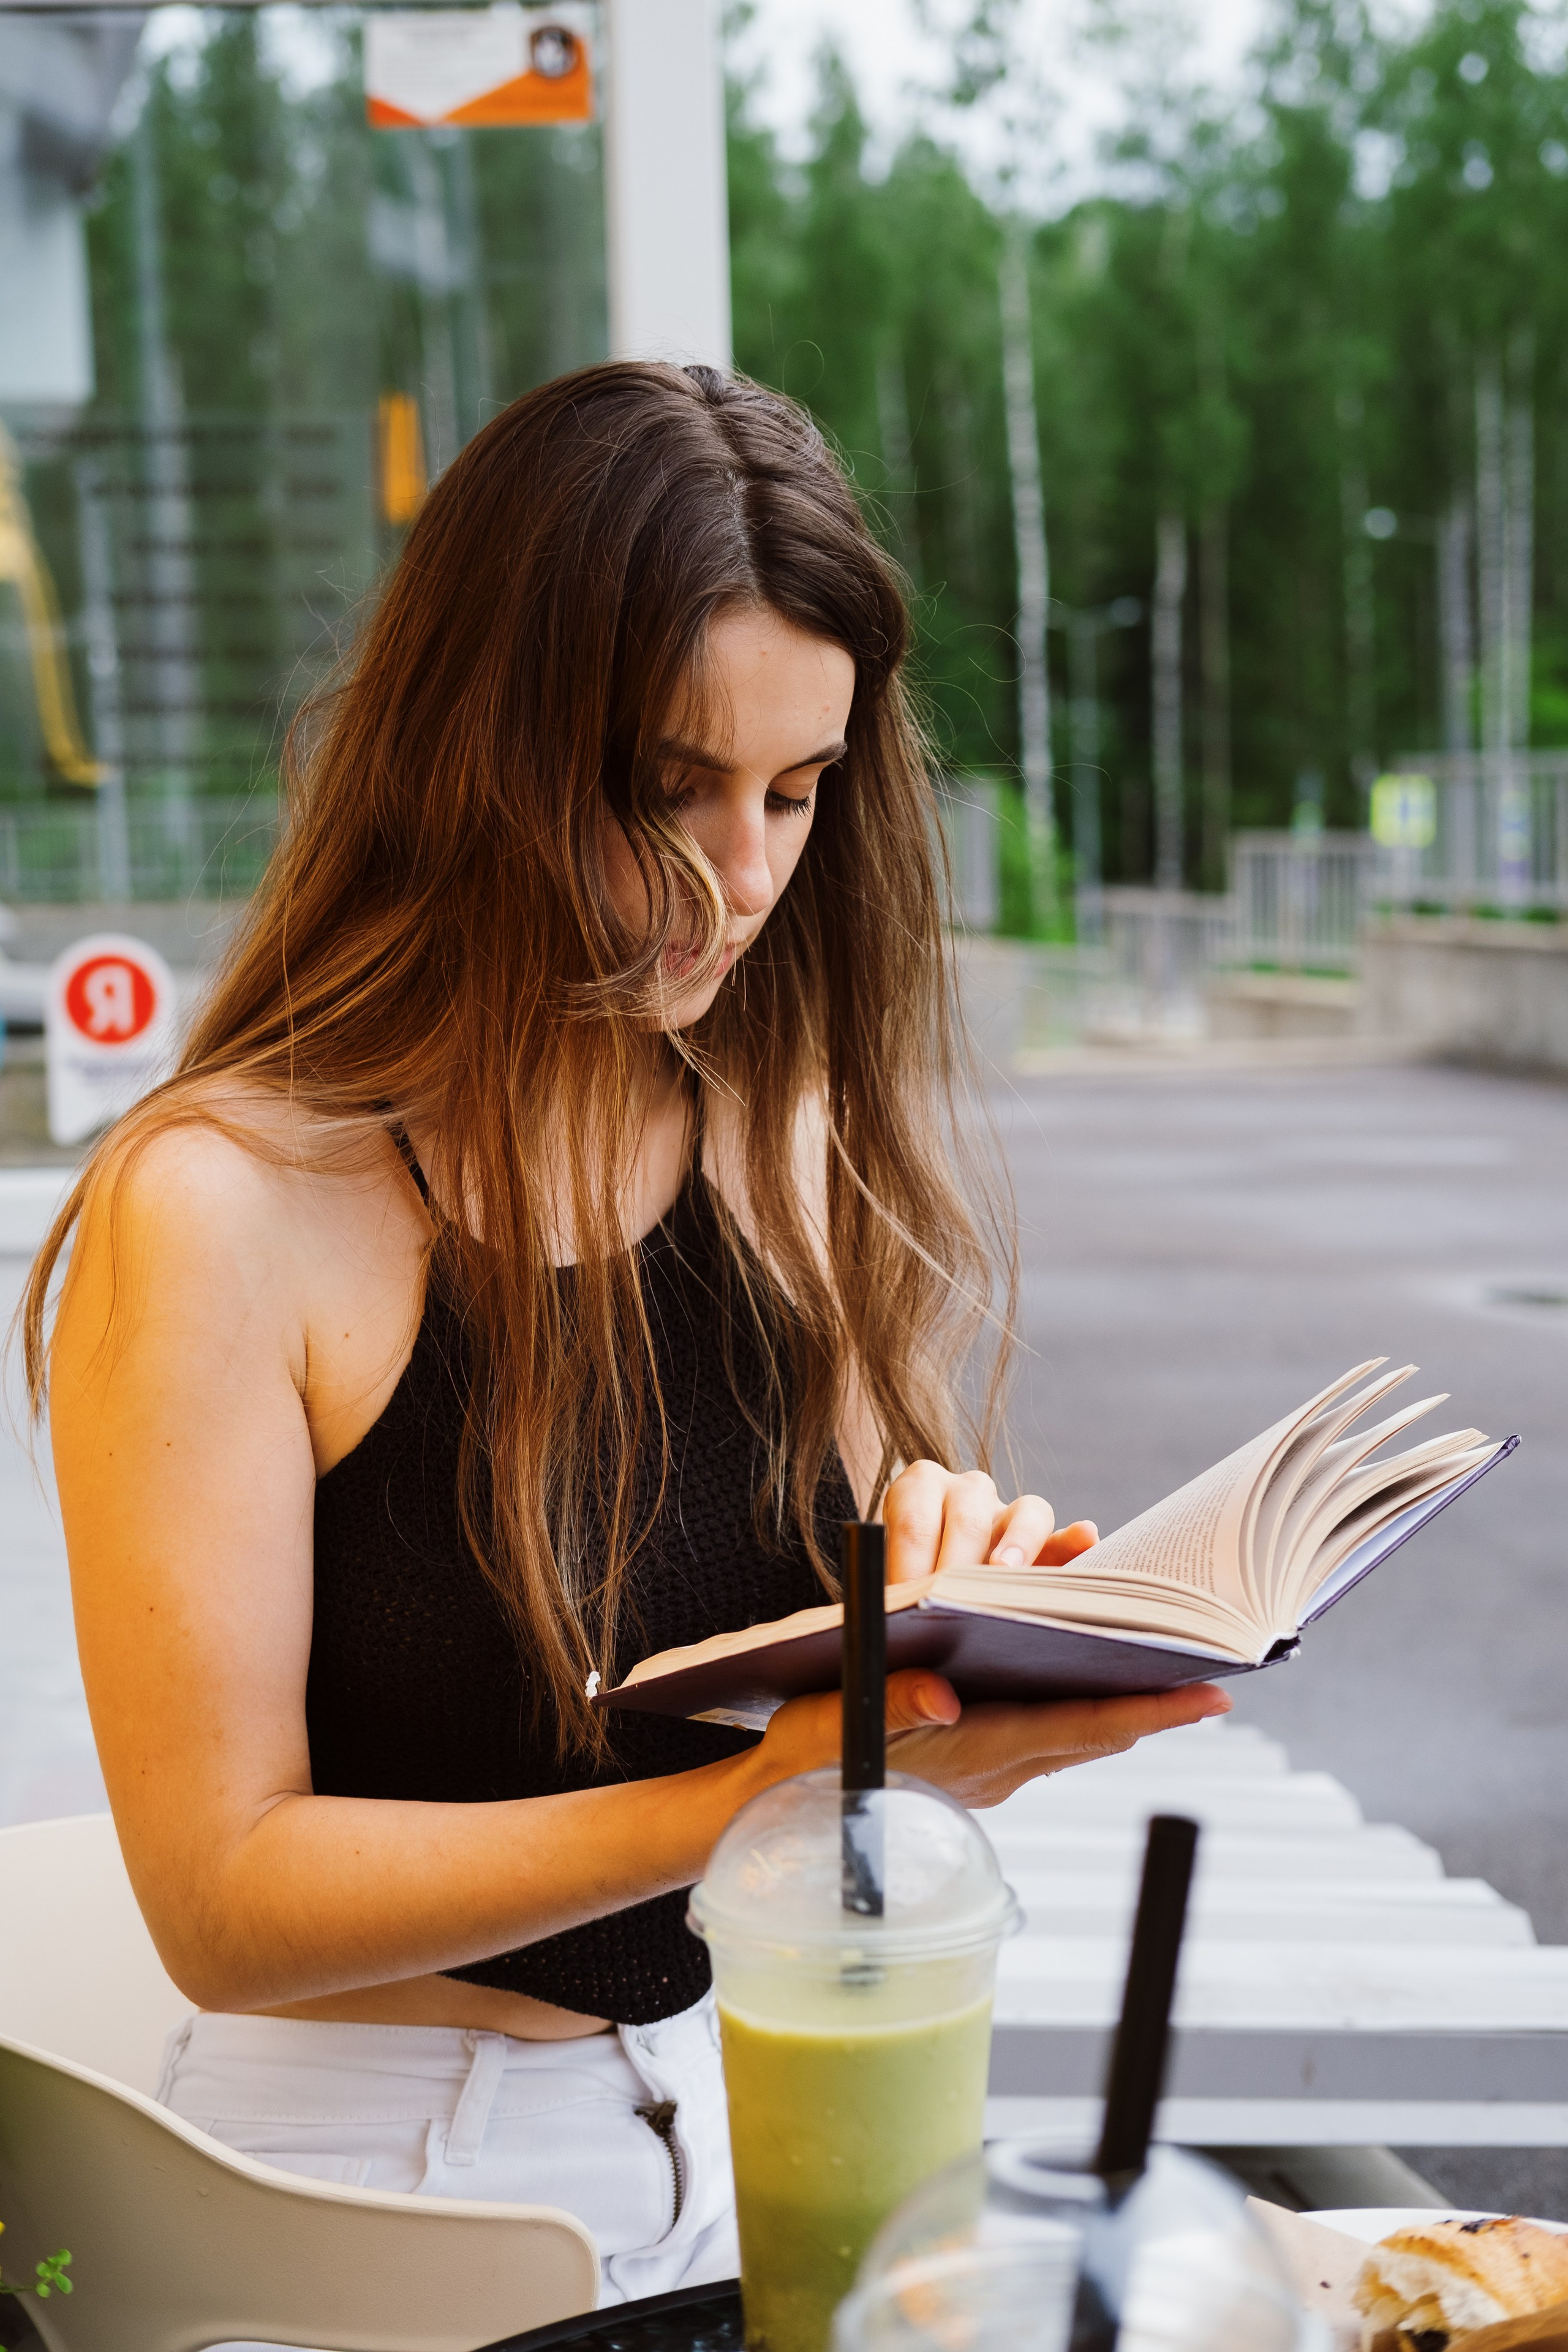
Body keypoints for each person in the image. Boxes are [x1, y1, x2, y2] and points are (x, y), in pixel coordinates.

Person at [26, 363, 1228, 2310]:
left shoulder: (768, 1128)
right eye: (672, 786)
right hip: (370, 2178)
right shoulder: (226, 1207)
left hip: (750, 2090)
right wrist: (754, 1802)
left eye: (797, 792)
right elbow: (223, 1900)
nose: (745, 880)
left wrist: (940, 1601)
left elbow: (790, 1653)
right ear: (478, 743)